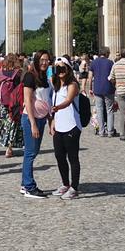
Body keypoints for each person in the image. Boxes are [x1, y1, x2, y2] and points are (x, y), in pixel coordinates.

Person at [20, 50, 53, 198]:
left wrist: (49, 120)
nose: (45, 62)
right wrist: (33, 123)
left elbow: (46, 99)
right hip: (30, 119)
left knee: (33, 151)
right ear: (36, 60)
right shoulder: (29, 76)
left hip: (41, 118)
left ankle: (24, 184)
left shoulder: (44, 76)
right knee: (30, 153)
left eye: (47, 60)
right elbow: (27, 100)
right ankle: (29, 186)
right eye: (42, 60)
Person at [50, 57, 81, 199]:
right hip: (59, 125)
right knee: (59, 156)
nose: (60, 71)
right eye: (58, 69)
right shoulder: (56, 86)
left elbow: (68, 101)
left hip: (72, 126)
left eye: (63, 68)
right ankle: (65, 184)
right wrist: (52, 123)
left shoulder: (72, 84)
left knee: (72, 157)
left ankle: (74, 188)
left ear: (68, 69)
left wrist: (57, 108)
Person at [0, 53, 23, 158]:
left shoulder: (1, 73)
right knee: (13, 124)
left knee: (4, 124)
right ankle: (9, 147)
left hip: (2, 102)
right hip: (13, 103)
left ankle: (5, 143)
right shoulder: (18, 73)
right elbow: (19, 89)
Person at [88, 47, 117, 138]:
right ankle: (110, 131)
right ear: (106, 53)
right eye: (109, 53)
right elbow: (113, 77)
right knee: (110, 110)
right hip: (108, 89)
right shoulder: (110, 63)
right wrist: (115, 86)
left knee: (99, 110)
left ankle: (101, 131)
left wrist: (90, 88)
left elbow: (90, 77)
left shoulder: (94, 62)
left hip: (97, 89)